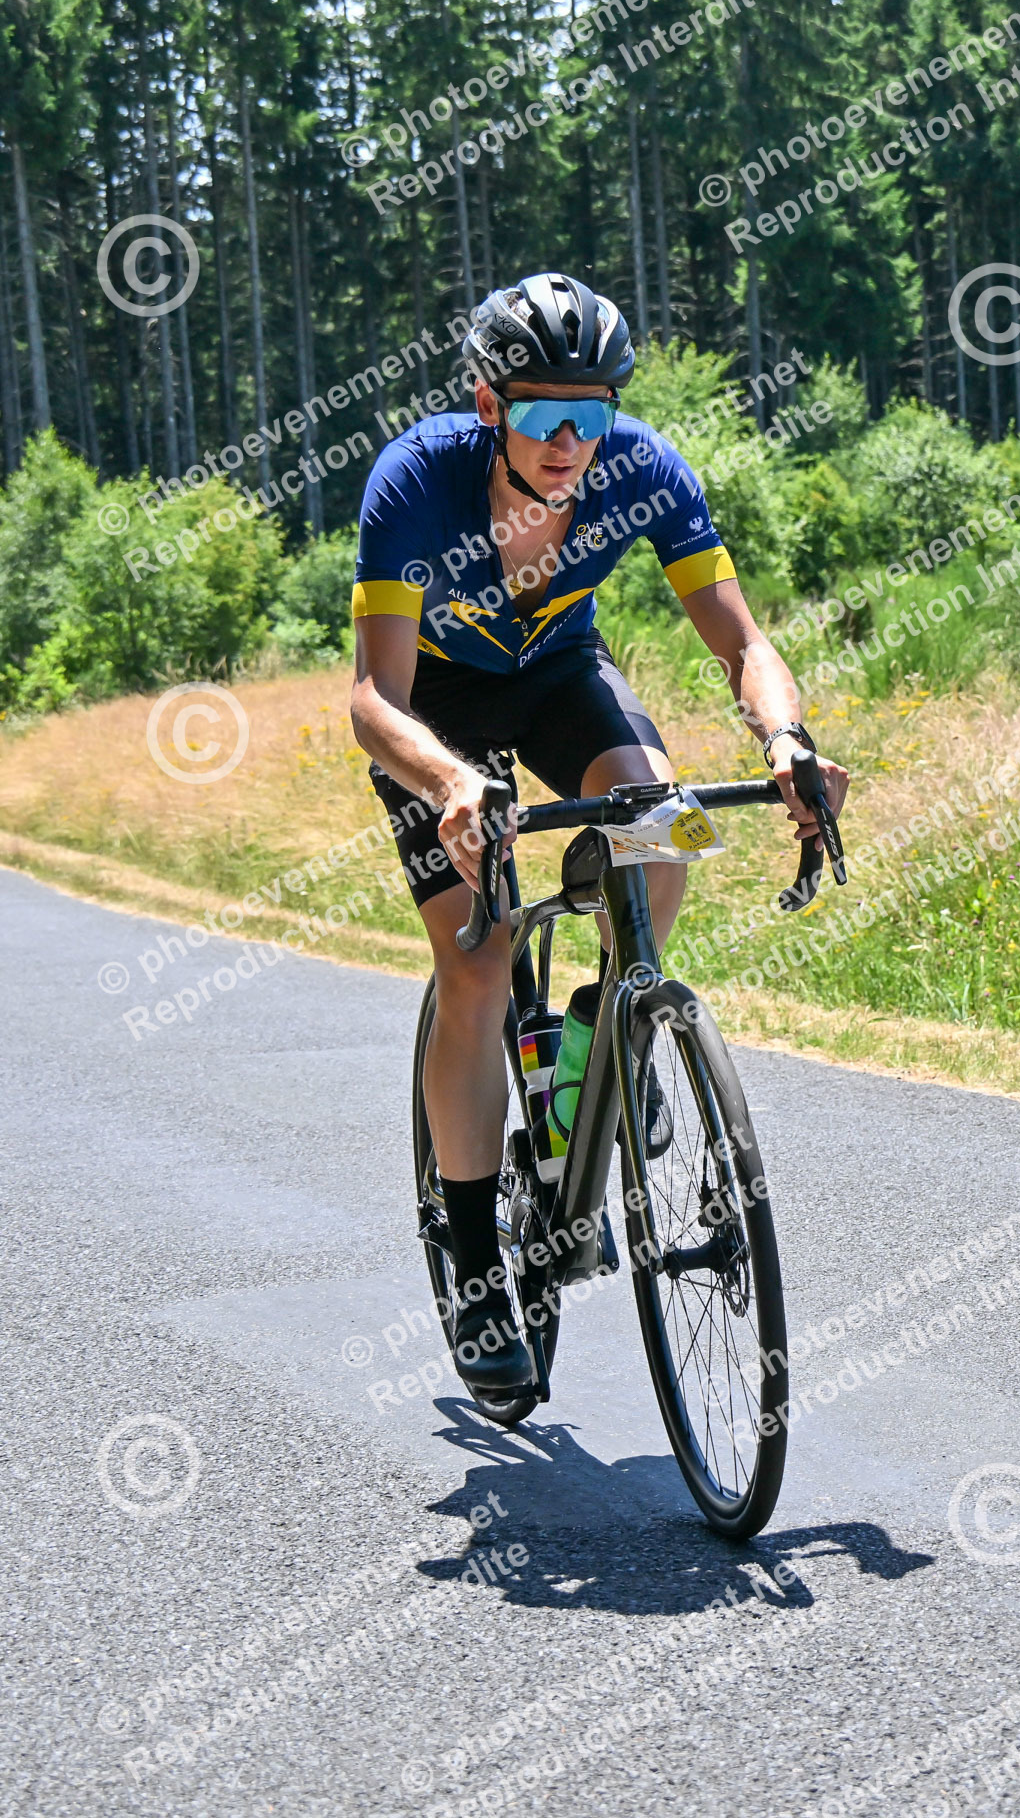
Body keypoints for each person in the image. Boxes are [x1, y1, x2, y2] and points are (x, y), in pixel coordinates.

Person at [349, 271, 847, 1393]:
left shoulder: (642, 469)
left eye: (593, 411)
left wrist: (785, 739)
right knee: (478, 963)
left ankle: (594, 1039)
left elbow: (743, 642)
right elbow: (373, 701)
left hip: (558, 672)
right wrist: (452, 784)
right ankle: (478, 1268)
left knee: (662, 824)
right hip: (435, 710)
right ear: (491, 406)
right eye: (543, 415)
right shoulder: (415, 481)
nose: (571, 440)